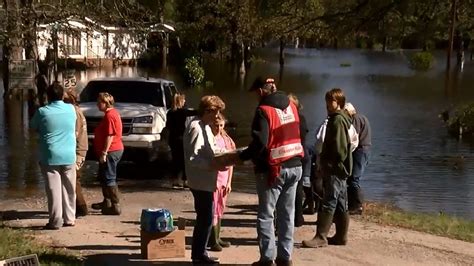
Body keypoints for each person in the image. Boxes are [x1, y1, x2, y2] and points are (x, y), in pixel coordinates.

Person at [235, 77, 303, 266]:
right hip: (295, 164)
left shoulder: (263, 110)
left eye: (256, 93)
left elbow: (260, 142)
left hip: (273, 169)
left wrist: (242, 156)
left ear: (261, 91)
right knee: (287, 214)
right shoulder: (291, 106)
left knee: (266, 215)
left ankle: (266, 259)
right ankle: (285, 257)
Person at [302, 88, 352, 248]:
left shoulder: (337, 120)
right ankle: (341, 236)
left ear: (339, 103)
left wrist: (329, 164)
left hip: (335, 169)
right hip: (340, 169)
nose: (327, 104)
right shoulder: (339, 118)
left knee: (329, 200)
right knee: (341, 202)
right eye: (327, 101)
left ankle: (321, 236)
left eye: (331, 101)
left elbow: (339, 148)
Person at [183, 95, 226, 265]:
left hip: (208, 179)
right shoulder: (195, 127)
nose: (218, 116)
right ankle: (199, 255)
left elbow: (212, 148)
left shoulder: (206, 127)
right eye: (216, 112)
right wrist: (212, 165)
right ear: (207, 110)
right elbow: (192, 158)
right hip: (200, 181)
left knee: (206, 217)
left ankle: (200, 253)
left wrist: (226, 157)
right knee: (205, 218)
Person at [30, 82, 77, 230]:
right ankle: (70, 218)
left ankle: (55, 221)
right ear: (62, 95)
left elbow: (32, 127)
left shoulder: (43, 111)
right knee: (70, 188)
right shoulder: (71, 109)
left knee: (53, 189)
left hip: (50, 155)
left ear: (47, 96)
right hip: (69, 153)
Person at [91, 92, 124, 215]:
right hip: (111, 150)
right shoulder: (110, 114)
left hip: (112, 150)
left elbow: (110, 135)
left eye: (99, 102)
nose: (97, 104)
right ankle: (107, 201)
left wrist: (104, 152)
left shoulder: (110, 115)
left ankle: (115, 205)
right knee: (104, 176)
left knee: (109, 177)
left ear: (106, 103)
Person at [207, 113, 236, 252]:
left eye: (221, 125)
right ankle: (212, 239)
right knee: (213, 210)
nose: (218, 128)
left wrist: (229, 182)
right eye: (216, 125)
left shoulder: (227, 140)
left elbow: (231, 162)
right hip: (214, 179)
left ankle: (218, 237)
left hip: (224, 179)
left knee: (220, 208)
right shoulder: (210, 139)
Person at [63, 89, 89, 217]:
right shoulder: (76, 111)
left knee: (74, 179)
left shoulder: (73, 112)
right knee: (74, 179)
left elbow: (75, 133)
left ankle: (81, 207)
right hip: (80, 149)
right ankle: (77, 206)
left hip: (77, 150)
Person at [344, 103, 371, 215]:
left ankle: (358, 206)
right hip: (364, 150)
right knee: (352, 179)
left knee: (354, 179)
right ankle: (352, 205)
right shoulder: (362, 117)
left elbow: (353, 137)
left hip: (360, 150)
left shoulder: (355, 119)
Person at [166, 93, 198, 189]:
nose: (185, 102)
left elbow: (168, 126)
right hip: (181, 138)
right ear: (181, 101)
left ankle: (175, 180)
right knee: (184, 160)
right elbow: (195, 112)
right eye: (184, 100)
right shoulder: (183, 112)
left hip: (172, 138)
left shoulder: (170, 112)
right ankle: (185, 180)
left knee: (175, 160)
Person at [287, 93, 309, 227]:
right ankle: (297, 217)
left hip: (299, 155)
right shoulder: (300, 118)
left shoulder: (298, 119)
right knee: (296, 188)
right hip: (300, 154)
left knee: (297, 189)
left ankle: (297, 217)